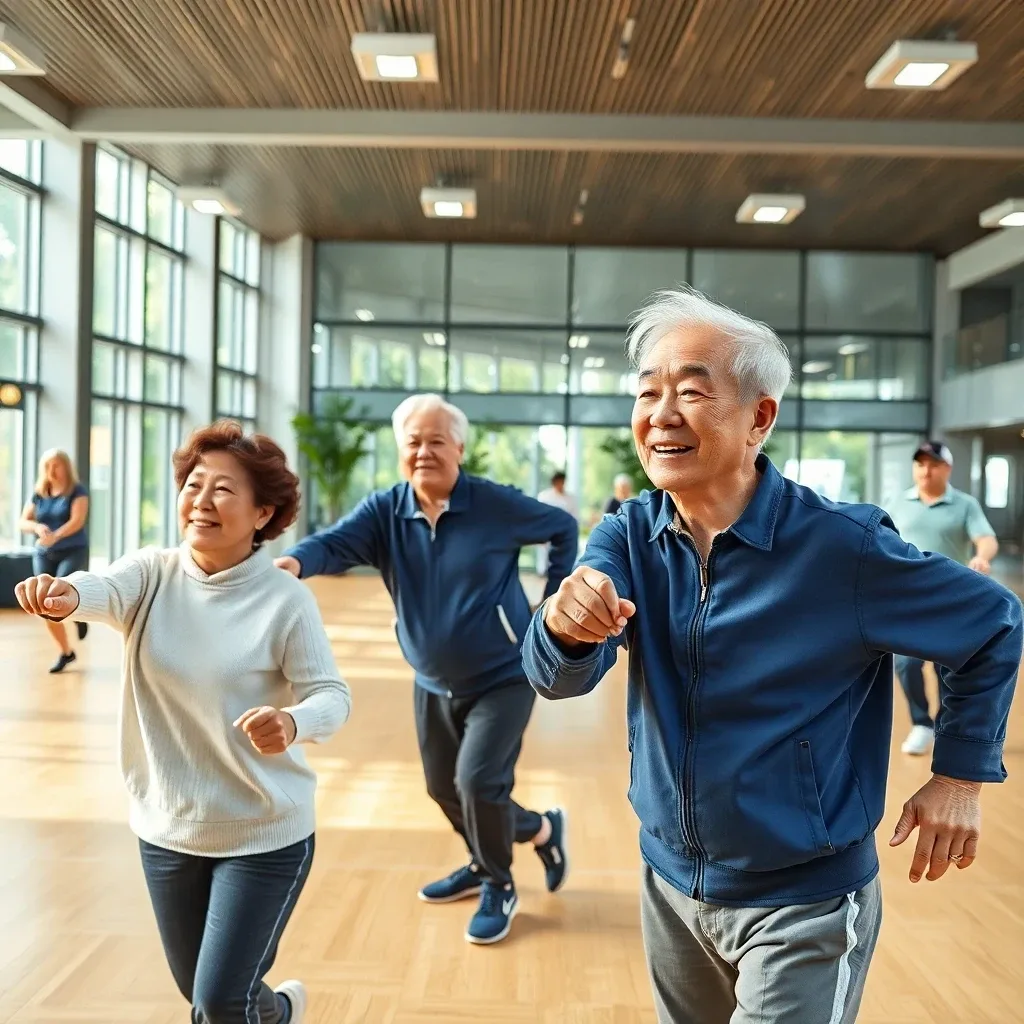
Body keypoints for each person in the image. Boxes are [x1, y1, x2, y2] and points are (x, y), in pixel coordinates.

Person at [521, 287, 1022, 1024]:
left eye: (692, 391)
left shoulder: (843, 548)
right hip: (670, 884)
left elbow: (992, 622)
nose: (661, 413)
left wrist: (960, 775)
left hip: (805, 901)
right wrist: (564, 628)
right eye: (649, 392)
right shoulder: (626, 534)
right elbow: (557, 678)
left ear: (760, 417)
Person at [15, 421, 351, 1024]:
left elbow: (331, 694)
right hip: (168, 826)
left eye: (224, 489)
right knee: (205, 992)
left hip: (265, 830)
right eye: (194, 484)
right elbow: (100, 588)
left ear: (261, 513)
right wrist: (63, 594)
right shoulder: (152, 574)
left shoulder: (285, 600)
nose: (202, 500)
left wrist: (293, 722)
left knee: (218, 1002)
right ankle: (281, 1012)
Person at [275, 392, 577, 945]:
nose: (424, 450)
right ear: (400, 451)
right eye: (413, 441)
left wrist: (551, 602)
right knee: (444, 788)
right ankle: (537, 829)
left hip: (505, 674)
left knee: (478, 782)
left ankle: (497, 881)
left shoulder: (493, 505)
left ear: (459, 448)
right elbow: (334, 544)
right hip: (432, 682)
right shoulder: (385, 512)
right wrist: (295, 562)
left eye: (437, 440)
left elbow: (561, 526)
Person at [886, 440, 1000, 756]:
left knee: (946, 668)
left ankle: (944, 727)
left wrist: (982, 557)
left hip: (952, 600)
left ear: (947, 469)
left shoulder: (964, 505)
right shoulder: (896, 503)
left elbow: (986, 538)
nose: (926, 470)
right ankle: (921, 723)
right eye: (921, 464)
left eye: (934, 464)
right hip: (909, 601)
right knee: (906, 664)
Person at [18, 448, 90, 672]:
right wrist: (38, 528)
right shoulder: (40, 492)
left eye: (56, 465)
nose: (51, 471)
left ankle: (79, 613)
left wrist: (56, 536)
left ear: (66, 467)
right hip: (44, 553)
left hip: (72, 550)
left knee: (58, 591)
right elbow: (23, 521)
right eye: (47, 466)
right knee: (43, 602)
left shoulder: (77, 491)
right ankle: (66, 652)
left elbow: (77, 521)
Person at [537, 470, 578, 575]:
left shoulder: (570, 498)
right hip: (548, 530)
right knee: (545, 553)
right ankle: (544, 571)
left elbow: (575, 517)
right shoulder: (544, 496)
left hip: (565, 532)